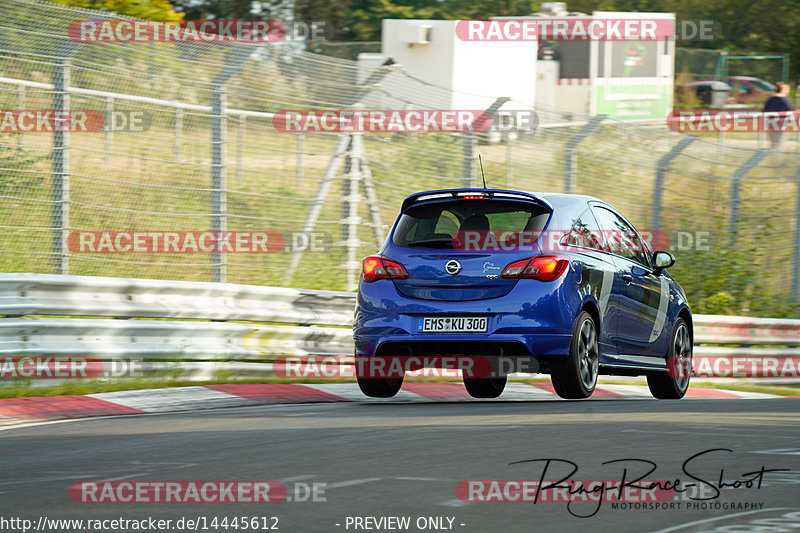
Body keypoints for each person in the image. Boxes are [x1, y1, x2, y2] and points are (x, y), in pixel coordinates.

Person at [762, 82, 793, 150]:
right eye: (787, 89)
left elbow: (764, 111)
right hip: (781, 125)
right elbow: (790, 112)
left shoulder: (770, 99)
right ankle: (776, 159)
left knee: (773, 144)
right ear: (782, 90)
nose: (789, 91)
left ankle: (774, 158)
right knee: (779, 144)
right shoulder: (786, 100)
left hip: (770, 124)